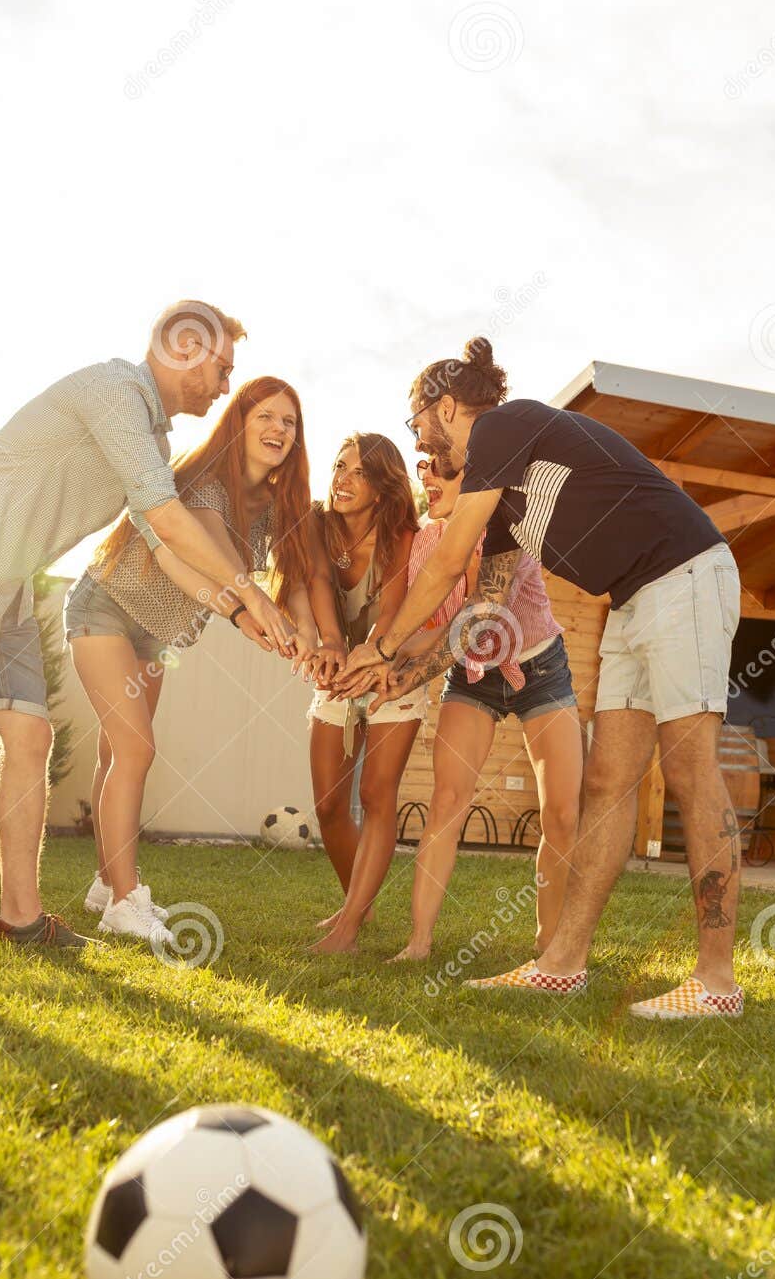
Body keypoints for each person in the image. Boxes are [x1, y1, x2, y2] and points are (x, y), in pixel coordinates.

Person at [0, 301, 291, 957]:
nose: (223, 385)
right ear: (184, 347)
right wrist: (248, 593)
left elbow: (165, 547)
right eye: (221, 368)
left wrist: (241, 610)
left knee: (30, 734)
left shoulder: (152, 443)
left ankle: (22, 919)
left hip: (9, 581)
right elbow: (171, 519)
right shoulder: (115, 391)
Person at [338, 338, 744, 1019]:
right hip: (631, 599)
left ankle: (716, 982)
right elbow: (479, 609)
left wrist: (379, 644)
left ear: (444, 408)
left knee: (690, 770)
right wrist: (401, 666)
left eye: (417, 421)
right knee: (608, 785)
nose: (418, 439)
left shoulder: (505, 424)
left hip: (686, 577)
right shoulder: (497, 498)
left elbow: (443, 567)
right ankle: (560, 964)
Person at [65, 376, 336, 942]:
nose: (278, 429)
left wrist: (304, 629)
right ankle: (124, 899)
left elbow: (297, 580)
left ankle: (104, 880)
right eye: (265, 416)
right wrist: (251, 613)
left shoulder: (276, 505)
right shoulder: (209, 485)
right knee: (137, 749)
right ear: (240, 422)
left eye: (289, 421)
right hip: (108, 607)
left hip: (157, 635)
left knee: (117, 750)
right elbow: (211, 560)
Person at [387, 456, 582, 962]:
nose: (426, 477)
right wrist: (378, 659)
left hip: (539, 667)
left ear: (471, 480)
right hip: (472, 674)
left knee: (561, 813)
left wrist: (404, 671)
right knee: (448, 800)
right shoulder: (429, 541)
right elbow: (431, 625)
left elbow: (479, 620)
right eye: (422, 466)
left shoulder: (508, 524)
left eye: (438, 468)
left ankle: (550, 949)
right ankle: (419, 943)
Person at [307, 434, 424, 955]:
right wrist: (332, 647)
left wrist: (373, 658)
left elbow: (396, 612)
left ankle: (349, 928)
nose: (343, 479)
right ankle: (360, 900)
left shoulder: (401, 536)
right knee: (330, 805)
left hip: (392, 669)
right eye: (339, 466)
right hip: (338, 668)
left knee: (377, 796)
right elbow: (312, 589)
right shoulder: (318, 529)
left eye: (359, 472)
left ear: (382, 486)